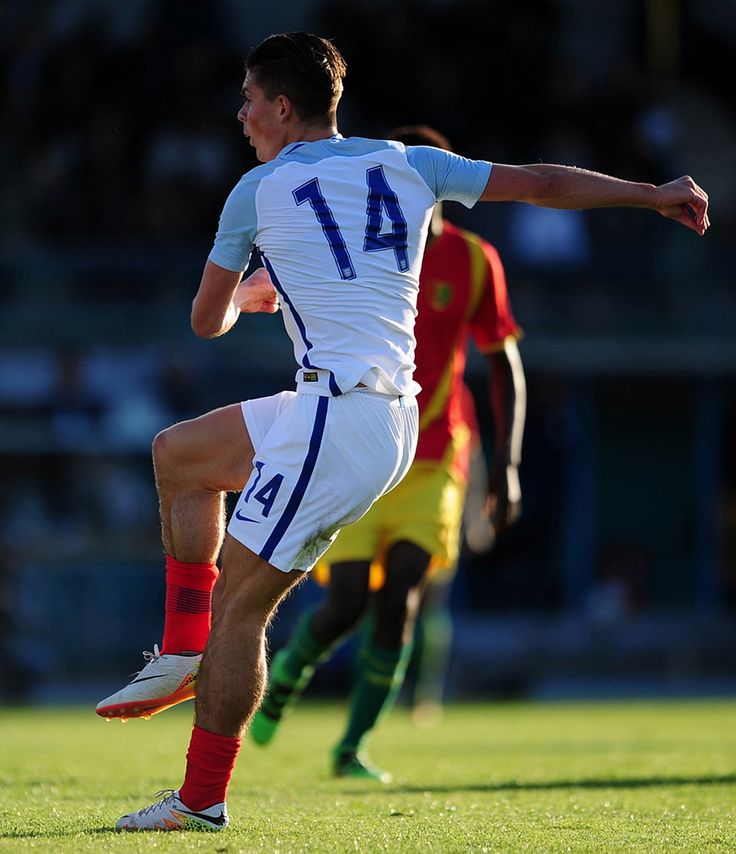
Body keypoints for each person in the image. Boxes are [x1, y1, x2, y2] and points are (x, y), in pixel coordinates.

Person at [104, 32, 708, 833]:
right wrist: (652, 193)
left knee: (240, 612)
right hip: (360, 409)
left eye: (250, 98)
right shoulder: (408, 162)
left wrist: (253, 291)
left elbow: (204, 322)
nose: (241, 112)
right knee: (179, 454)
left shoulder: (255, 189)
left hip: (341, 416)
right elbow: (539, 184)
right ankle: (182, 651)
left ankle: (199, 800)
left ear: (283, 108)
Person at [247, 124, 526, 782]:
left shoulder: (476, 260)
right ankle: (286, 674)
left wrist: (508, 465)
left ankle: (352, 748)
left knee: (402, 592)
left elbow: (504, 360)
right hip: (358, 444)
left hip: (435, 455)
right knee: (346, 600)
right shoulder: (357, 257)